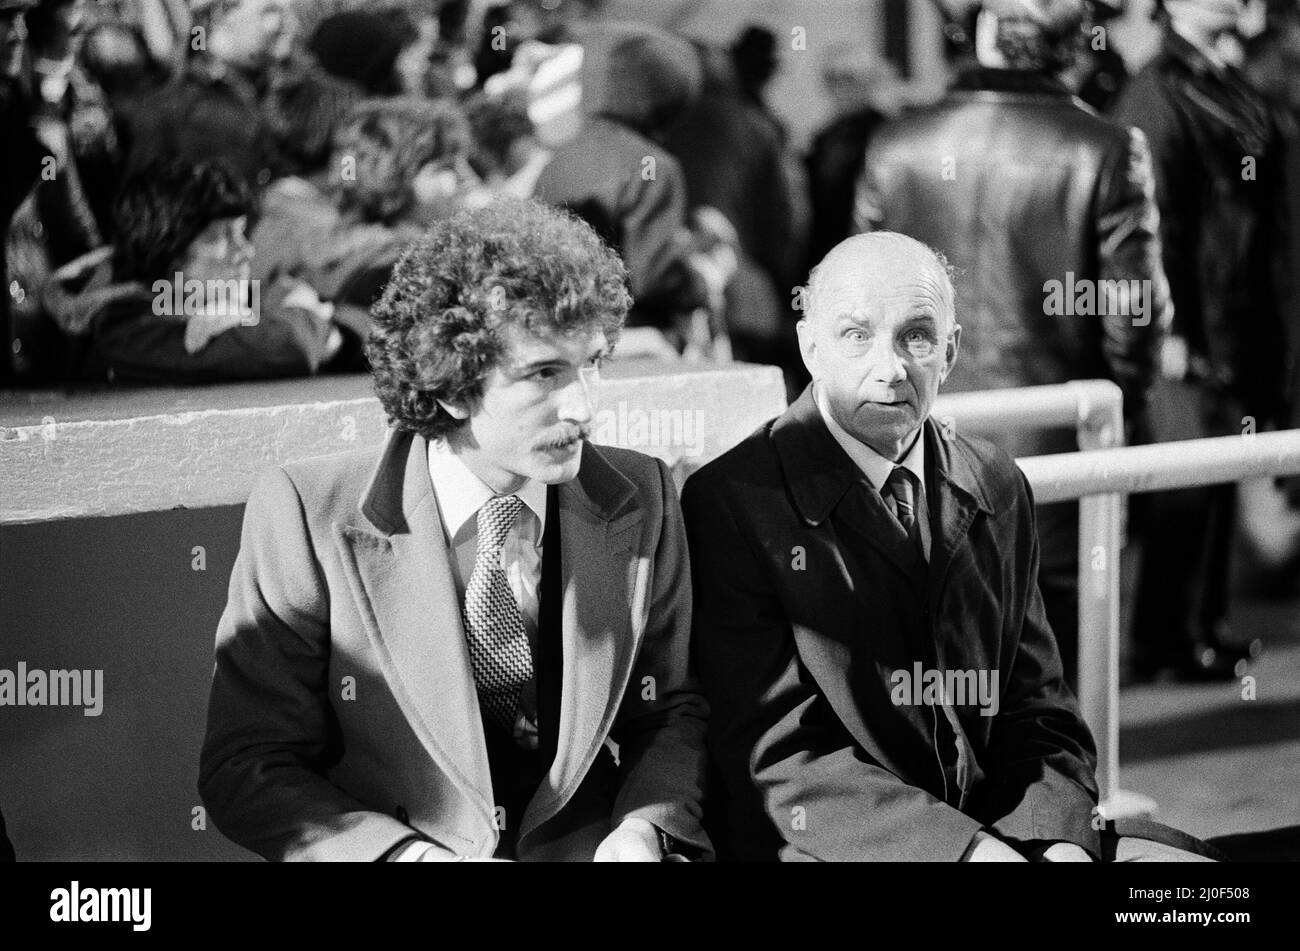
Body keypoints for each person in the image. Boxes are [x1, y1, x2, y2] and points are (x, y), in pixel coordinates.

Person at [199, 198, 711, 862]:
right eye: (545, 374)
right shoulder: (307, 513)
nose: (586, 406)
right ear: (449, 384)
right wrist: (404, 857)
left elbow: (669, 711)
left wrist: (644, 827)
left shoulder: (642, 493)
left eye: (594, 363)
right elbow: (249, 763)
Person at [683, 232, 1216, 862]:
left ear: (951, 351)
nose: (889, 368)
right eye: (857, 336)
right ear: (811, 348)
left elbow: (1038, 707)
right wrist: (964, 852)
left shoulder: (994, 480)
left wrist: (1055, 838)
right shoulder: (734, 502)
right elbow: (781, 757)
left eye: (916, 336)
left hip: (1009, 828)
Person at [855, 0, 1169, 686]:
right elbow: (1133, 311)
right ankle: (1059, 786)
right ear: (1074, 50)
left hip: (919, 436)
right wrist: (1120, 403)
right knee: (1055, 655)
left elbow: (858, 300)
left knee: (934, 646)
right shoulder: (1106, 146)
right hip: (1057, 437)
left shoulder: (895, 142)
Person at [1113, 0, 1290, 680]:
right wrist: (1171, 324)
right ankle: (1165, 638)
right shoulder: (1158, 91)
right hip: (1194, 327)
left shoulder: (1219, 83)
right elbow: (1153, 218)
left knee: (1215, 477)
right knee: (1185, 485)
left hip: (1233, 318)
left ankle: (1198, 627)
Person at [60, 158, 340, 384]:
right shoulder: (123, 329)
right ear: (166, 251)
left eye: (241, 233)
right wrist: (314, 322)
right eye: (219, 237)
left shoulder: (225, 296)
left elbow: (351, 320)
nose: (245, 251)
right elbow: (287, 345)